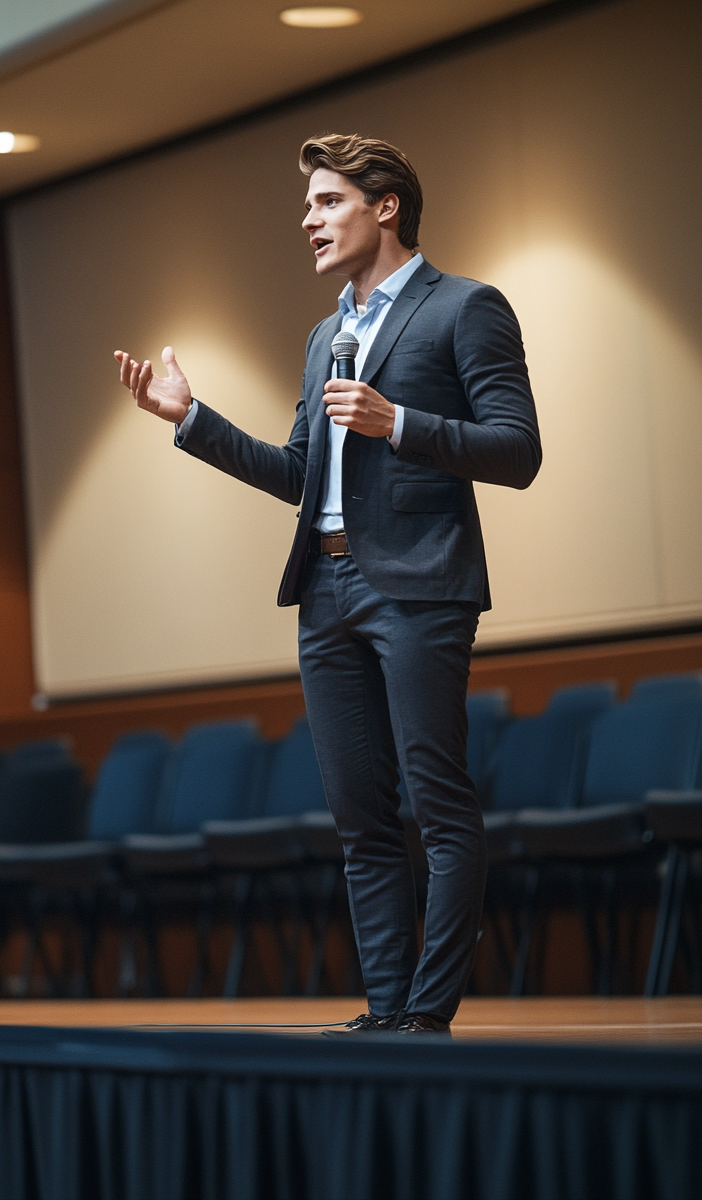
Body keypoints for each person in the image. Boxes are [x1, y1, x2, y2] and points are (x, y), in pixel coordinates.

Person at [114, 133, 541, 1034]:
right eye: (308, 207)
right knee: (360, 817)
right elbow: (298, 472)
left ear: (385, 207)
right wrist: (191, 419)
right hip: (327, 590)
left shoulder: (466, 308)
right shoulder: (324, 336)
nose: (308, 221)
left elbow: (519, 451)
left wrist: (403, 423)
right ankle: (386, 1012)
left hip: (421, 587)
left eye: (327, 202)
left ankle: (429, 1014)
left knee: (437, 801)